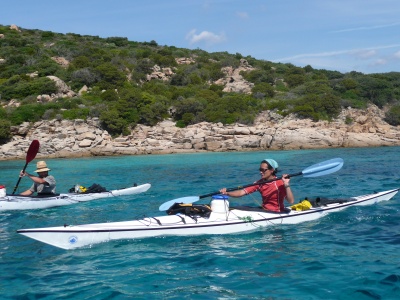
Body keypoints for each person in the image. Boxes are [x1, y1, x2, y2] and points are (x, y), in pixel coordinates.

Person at [219, 159, 294, 212]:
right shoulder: (259, 183)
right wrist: (227, 193)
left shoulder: (280, 182)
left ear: (272, 170)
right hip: (265, 211)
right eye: (260, 170)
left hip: (277, 212)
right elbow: (242, 192)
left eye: (263, 170)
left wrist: (286, 184)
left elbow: (291, 201)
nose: (261, 172)